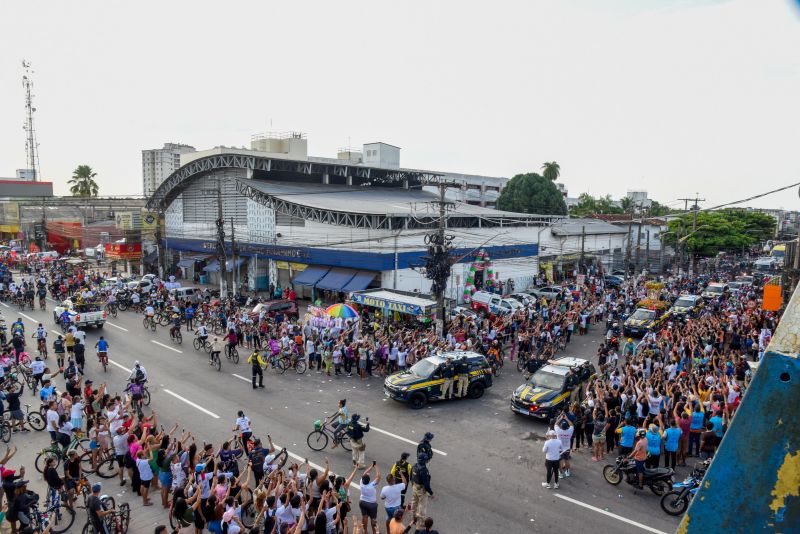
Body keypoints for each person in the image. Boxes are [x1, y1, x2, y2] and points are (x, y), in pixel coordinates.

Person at [408, 453, 434, 529]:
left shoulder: (414, 466)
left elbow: (410, 477)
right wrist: (431, 493)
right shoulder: (423, 470)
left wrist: (413, 484)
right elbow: (426, 484)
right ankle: (421, 522)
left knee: (414, 503)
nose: (426, 461)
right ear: (423, 460)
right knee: (422, 506)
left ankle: (414, 518)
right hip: (421, 490)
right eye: (425, 460)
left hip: (415, 487)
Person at [380, 468, 406, 533]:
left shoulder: (384, 489)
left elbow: (382, 498)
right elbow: (405, 483)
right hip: (396, 508)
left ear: (387, 481)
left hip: (388, 507)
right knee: (397, 521)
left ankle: (388, 532)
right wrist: (401, 474)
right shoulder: (399, 487)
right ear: (393, 480)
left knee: (388, 518)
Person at [358, 462, 380, 534]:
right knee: (373, 519)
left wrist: (371, 466)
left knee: (365, 516)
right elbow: (378, 476)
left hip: (362, 502)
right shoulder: (372, 485)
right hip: (372, 504)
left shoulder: (361, 482)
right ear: (369, 480)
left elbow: (364, 473)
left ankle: (365, 531)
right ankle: (374, 532)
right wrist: (375, 466)